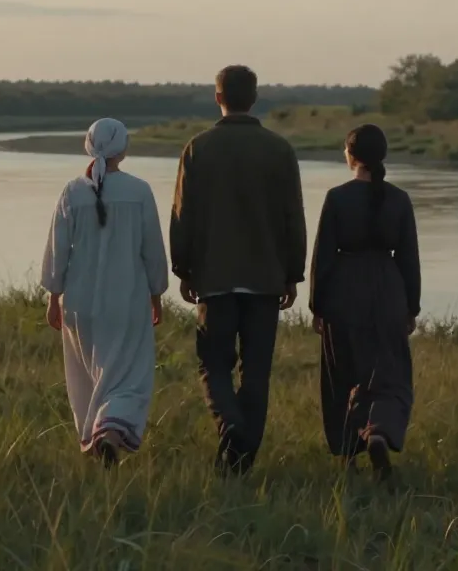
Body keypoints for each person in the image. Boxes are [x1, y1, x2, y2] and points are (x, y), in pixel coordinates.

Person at [170, 65, 307, 476]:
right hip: (266, 278)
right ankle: (242, 459)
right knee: (256, 372)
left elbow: (183, 214)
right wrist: (293, 273)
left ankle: (229, 424)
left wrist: (183, 268)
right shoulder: (279, 149)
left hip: (214, 277)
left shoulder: (198, 148)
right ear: (255, 97)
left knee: (213, 365)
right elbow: (293, 216)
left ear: (218, 97)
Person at [41, 118, 169, 467]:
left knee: (88, 375)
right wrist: (156, 294)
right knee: (129, 375)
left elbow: (57, 251)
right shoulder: (139, 191)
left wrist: (53, 298)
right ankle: (110, 432)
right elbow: (152, 250)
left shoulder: (72, 192)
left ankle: (98, 437)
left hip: (79, 302)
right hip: (127, 300)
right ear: (122, 149)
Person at [308, 123, 421, 480]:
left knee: (342, 372)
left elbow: (323, 256)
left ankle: (348, 455)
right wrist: (411, 307)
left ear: (350, 155)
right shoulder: (399, 199)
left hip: (344, 289)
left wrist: (317, 306)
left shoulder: (337, 197)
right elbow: (409, 257)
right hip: (388, 288)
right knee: (388, 372)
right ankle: (379, 431)